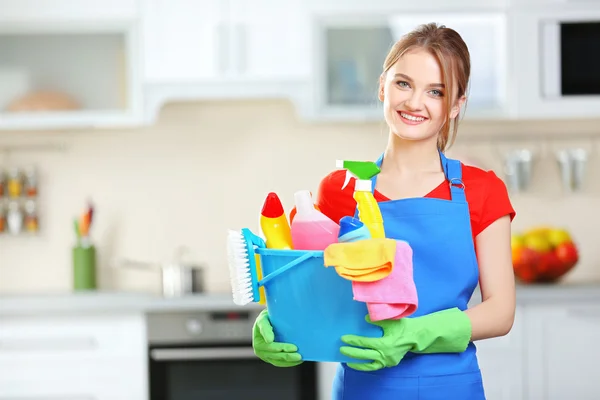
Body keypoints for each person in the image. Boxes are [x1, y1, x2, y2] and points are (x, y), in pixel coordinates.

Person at [251, 22, 516, 399]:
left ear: (456, 105)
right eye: (403, 83)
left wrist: (413, 334)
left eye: (436, 91)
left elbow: (501, 311)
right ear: (382, 86)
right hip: (364, 389)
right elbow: (309, 287)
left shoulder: (481, 190)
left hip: (451, 388)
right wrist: (276, 322)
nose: (413, 102)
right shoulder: (340, 189)